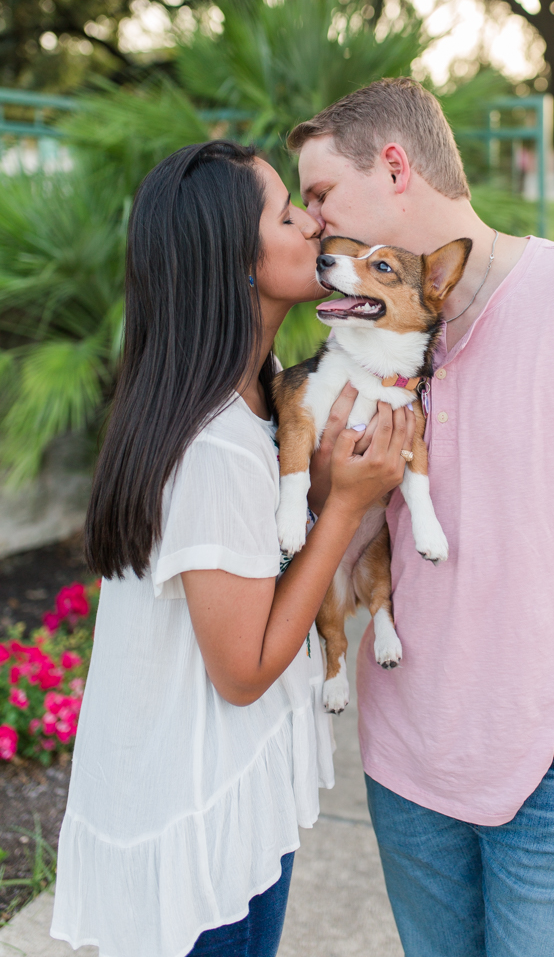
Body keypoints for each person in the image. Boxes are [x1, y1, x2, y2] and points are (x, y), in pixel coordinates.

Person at [289, 78, 554, 957]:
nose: (312, 221)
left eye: (323, 194)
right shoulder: (370, 333)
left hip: (552, 773)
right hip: (406, 763)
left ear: (396, 166)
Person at [51, 140, 415, 957]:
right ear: (235, 262)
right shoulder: (212, 445)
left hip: (228, 801)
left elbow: (266, 566)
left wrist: (325, 494)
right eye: (288, 214)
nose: (314, 220)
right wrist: (342, 510)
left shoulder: (262, 390)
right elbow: (243, 671)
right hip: (193, 827)